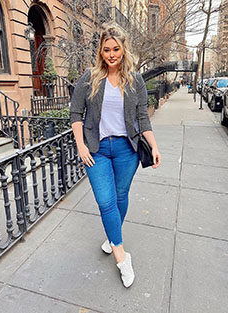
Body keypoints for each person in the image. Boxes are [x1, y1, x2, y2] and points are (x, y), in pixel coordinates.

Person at [70, 25, 161, 288]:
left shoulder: (135, 80)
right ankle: (122, 255)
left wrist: (154, 146)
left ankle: (112, 236)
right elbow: (76, 114)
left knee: (120, 197)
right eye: (107, 49)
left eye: (116, 49)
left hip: (126, 150)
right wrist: (81, 146)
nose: (111, 55)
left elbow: (143, 117)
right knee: (105, 200)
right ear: (100, 50)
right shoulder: (90, 78)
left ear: (124, 49)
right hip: (96, 149)